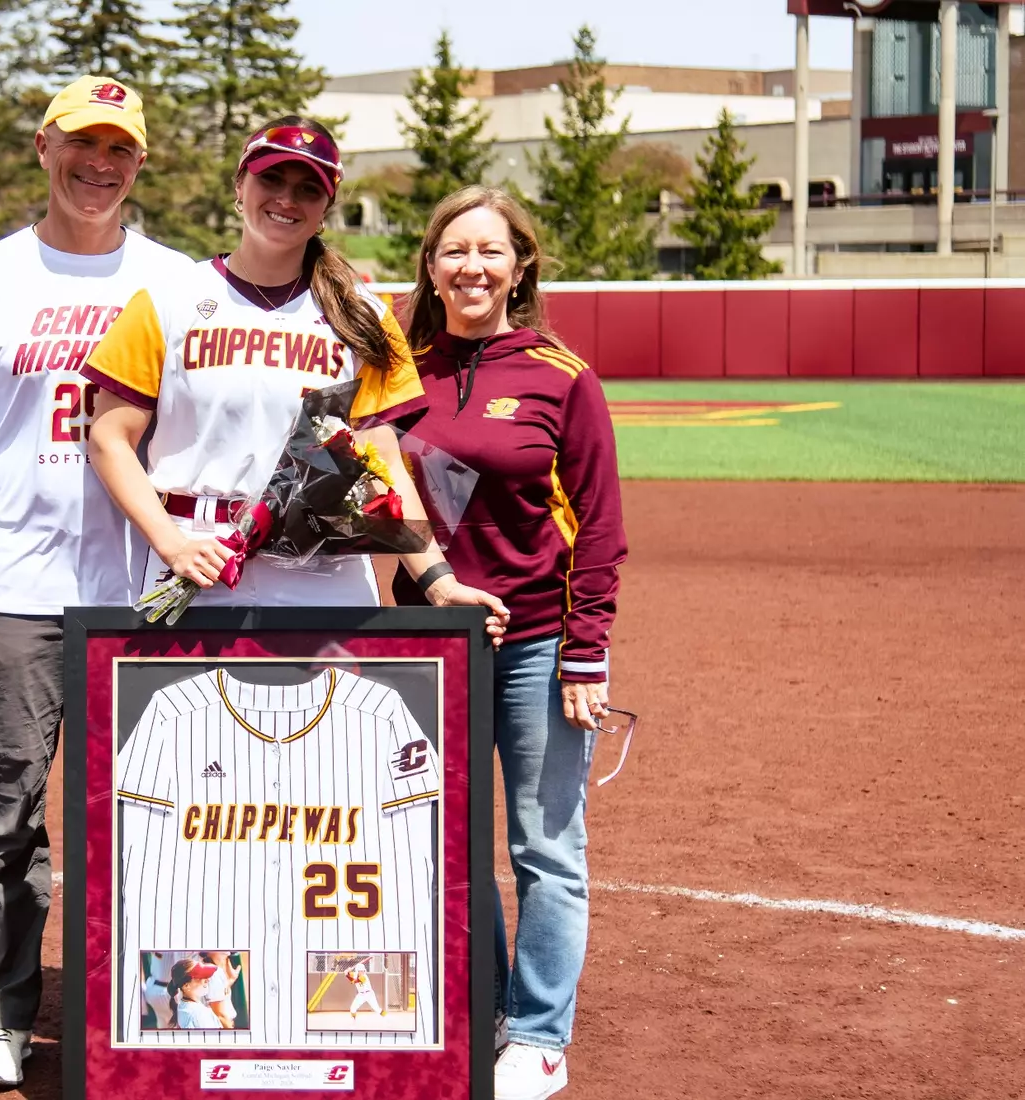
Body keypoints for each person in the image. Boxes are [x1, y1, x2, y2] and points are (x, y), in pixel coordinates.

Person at [0, 75, 194, 1092]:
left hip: (145, 593)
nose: (99, 163)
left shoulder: (177, 283)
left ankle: (157, 1007)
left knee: (164, 807)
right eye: (82, 142)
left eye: (119, 146)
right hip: (16, 590)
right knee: (9, 814)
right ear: (44, 147)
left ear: (141, 161)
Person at [391, 185, 627, 1100]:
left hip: (533, 638)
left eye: (491, 252)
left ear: (520, 265)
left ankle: (536, 1034)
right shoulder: (398, 370)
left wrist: (585, 651)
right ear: (431, 265)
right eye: (455, 251)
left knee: (545, 845)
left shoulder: (561, 375)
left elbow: (600, 527)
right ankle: (485, 1004)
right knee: (447, 838)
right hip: (428, 639)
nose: (472, 268)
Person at [84, 116, 508, 622]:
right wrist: (172, 543)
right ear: (240, 186)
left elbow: (385, 463)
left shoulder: (362, 314)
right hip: (196, 560)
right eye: (271, 179)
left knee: (330, 704)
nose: (287, 199)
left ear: (326, 209)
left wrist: (437, 582)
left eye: (308, 189)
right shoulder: (168, 300)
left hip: (326, 567)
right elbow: (109, 439)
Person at [168, 959, 221, 1029]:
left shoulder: (182, 1005)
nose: (207, 980)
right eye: (201, 977)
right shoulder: (200, 1014)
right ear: (186, 986)